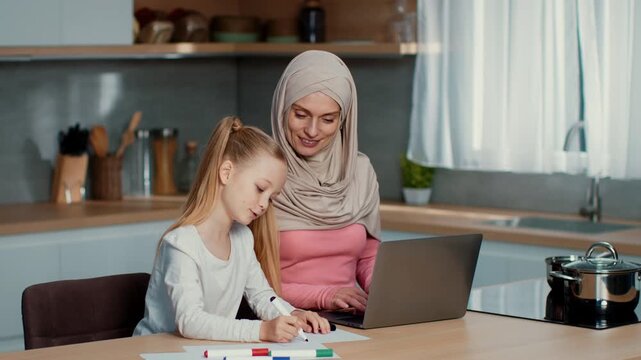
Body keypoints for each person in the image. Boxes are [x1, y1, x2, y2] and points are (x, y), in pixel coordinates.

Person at [134, 116, 330, 342]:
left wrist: (294, 315)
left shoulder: (242, 238)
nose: (264, 204)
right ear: (226, 173)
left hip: (201, 352)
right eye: (260, 189)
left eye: (272, 198)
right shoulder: (181, 243)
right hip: (154, 352)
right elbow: (190, 321)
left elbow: (262, 295)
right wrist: (262, 331)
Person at [271, 50, 381, 312]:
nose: (311, 131)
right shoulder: (259, 173)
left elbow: (368, 254)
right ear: (282, 108)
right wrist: (324, 296)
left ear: (343, 120)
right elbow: (243, 280)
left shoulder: (360, 171)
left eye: (328, 119)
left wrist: (381, 287)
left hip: (348, 317)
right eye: (300, 115)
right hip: (280, 320)